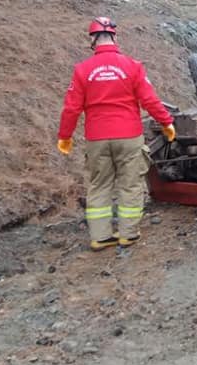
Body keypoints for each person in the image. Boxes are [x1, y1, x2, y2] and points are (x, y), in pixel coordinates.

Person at [57, 17, 177, 250]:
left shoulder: (82, 70)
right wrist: (167, 122)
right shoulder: (132, 66)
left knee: (99, 186)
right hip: (129, 135)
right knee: (130, 184)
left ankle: (100, 237)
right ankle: (128, 234)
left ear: (93, 39)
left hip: (97, 138)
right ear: (114, 36)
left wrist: (65, 136)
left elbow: (71, 108)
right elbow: (149, 100)